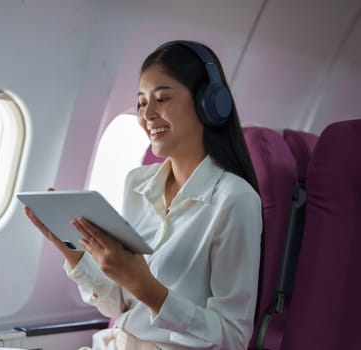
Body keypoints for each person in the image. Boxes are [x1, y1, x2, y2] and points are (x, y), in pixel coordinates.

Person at [25, 40, 262, 350]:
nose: (147, 114)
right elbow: (119, 306)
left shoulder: (235, 200)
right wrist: (75, 253)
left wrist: (147, 287)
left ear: (209, 103)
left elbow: (232, 338)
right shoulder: (138, 183)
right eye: (140, 102)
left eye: (162, 98)